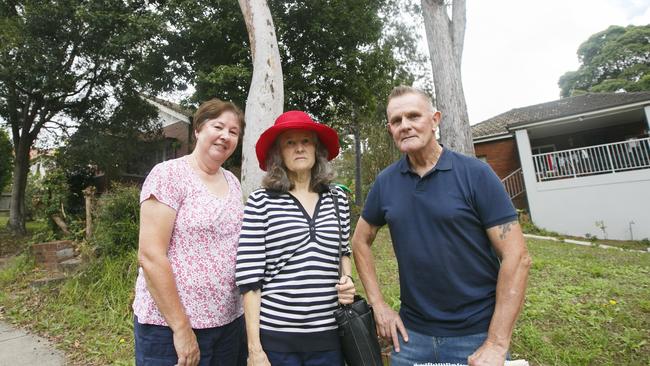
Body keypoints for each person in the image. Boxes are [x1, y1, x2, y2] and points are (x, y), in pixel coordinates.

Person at [352, 86, 532, 366]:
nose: (405, 126)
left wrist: (496, 343)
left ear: (435, 119)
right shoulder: (386, 182)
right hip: (411, 339)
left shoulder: (476, 174)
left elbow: (517, 257)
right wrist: (379, 305)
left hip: (476, 338)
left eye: (414, 116)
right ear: (390, 129)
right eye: (397, 121)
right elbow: (360, 240)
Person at [235, 111, 356, 366]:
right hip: (277, 342)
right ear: (279, 153)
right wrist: (255, 350)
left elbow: (344, 250)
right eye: (290, 142)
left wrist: (347, 279)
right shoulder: (261, 202)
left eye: (306, 141)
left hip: (329, 338)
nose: (299, 148)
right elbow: (249, 280)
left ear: (317, 149)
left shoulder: (337, 199)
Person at [133, 99, 247, 366]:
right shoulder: (168, 175)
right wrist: (181, 329)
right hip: (170, 328)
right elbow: (150, 255)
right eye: (218, 126)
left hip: (228, 323)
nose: (225, 136)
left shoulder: (232, 181)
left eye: (233, 132)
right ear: (198, 129)